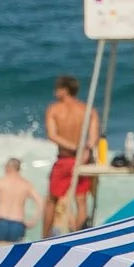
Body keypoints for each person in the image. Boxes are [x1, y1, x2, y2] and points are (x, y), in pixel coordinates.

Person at [43, 75, 94, 237]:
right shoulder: (88, 110)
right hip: (82, 160)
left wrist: (72, 147)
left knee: (52, 200)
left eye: (57, 89)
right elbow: (92, 140)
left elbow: (52, 135)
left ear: (65, 90)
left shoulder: (54, 109)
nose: (55, 92)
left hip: (64, 159)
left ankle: (44, 238)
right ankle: (81, 237)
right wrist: (83, 150)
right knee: (81, 201)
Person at [0, 158, 35, 243]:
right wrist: (33, 220)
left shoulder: (1, 181)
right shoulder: (26, 184)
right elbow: (40, 202)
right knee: (15, 253)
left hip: (0, 221)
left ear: (8, 167)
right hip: (18, 223)